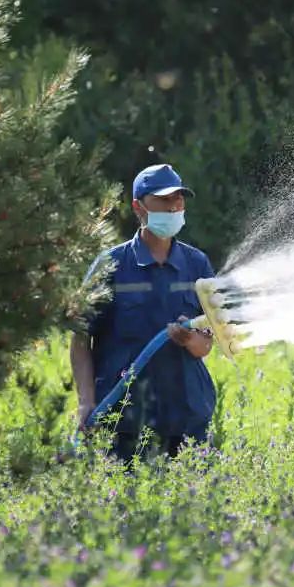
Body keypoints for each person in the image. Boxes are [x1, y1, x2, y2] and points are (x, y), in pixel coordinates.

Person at [71, 164, 217, 461]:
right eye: (163, 200)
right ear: (138, 207)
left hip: (187, 419)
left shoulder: (197, 264)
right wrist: (86, 402)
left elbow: (207, 344)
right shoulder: (110, 265)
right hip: (123, 421)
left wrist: (191, 341)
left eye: (178, 198)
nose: (174, 206)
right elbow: (80, 341)